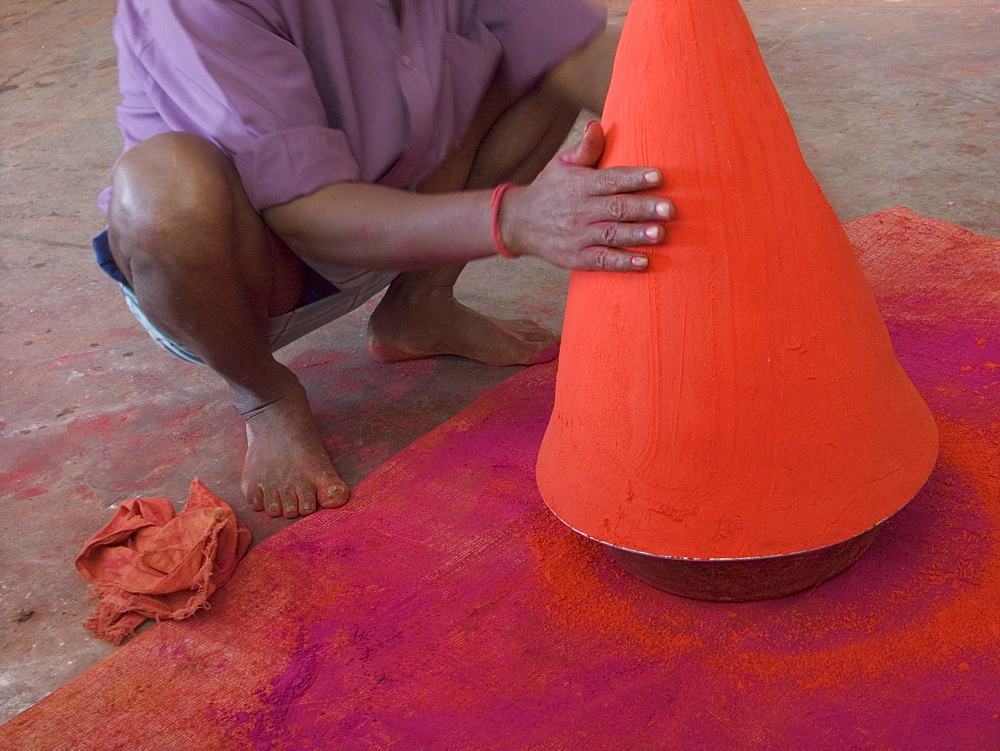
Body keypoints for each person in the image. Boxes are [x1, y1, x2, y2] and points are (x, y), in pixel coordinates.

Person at [94, 0, 674, 521]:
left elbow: (578, 55)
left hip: (394, 207)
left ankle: (419, 305)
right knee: (162, 191)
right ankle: (263, 393)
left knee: (547, 61)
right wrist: (514, 218)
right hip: (239, 277)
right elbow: (305, 213)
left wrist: (725, 130)